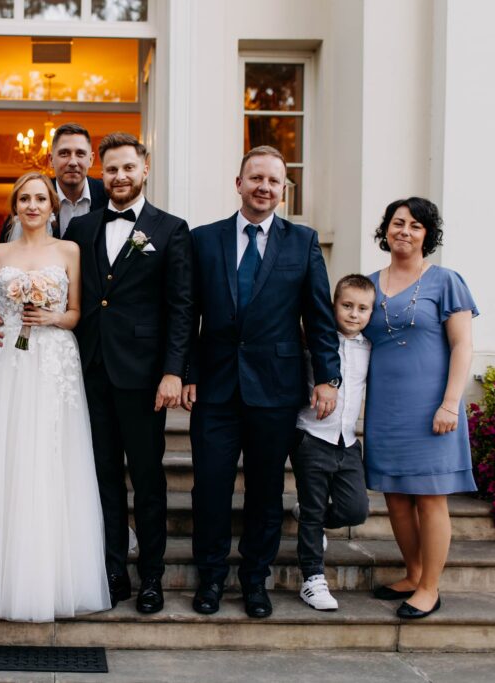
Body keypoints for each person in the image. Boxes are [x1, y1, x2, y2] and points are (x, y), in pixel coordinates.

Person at [0, 132, 192, 614]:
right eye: (113, 169)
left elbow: (182, 307)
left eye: (128, 168)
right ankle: (112, 570)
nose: (120, 176)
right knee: (101, 477)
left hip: (143, 375)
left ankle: (152, 577)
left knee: (147, 478)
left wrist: (173, 371)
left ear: (144, 170)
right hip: (88, 370)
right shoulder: (81, 230)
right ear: (104, 174)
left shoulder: (170, 229)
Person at [184, 145, 340, 619]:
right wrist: (187, 372)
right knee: (210, 488)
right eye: (256, 178)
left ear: (283, 190)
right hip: (215, 387)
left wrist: (328, 377)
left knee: (266, 491)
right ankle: (211, 579)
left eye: (273, 180)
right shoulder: (203, 239)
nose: (264, 187)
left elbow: (319, 316)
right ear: (239, 183)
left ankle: (255, 581)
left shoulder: (303, 241)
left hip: (275, 387)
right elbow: (187, 313)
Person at [0, 172, 111, 622]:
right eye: (25, 198)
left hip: (54, 360)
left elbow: (77, 312)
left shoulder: (69, 250)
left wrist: (51, 318)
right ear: (15, 206)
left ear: (52, 206)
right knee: (11, 456)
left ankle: (55, 577)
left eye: (41, 198)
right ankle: (3, 576)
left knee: (53, 458)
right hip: (10, 362)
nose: (33, 205)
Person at [364, 197, 478, 620]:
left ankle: (430, 587)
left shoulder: (446, 281)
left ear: (427, 235)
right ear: (386, 229)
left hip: (432, 407)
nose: (405, 231)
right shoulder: (368, 285)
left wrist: (450, 403)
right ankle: (413, 574)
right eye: (398, 223)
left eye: (415, 225)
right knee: (395, 498)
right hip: (385, 409)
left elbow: (462, 345)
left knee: (430, 499)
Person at [290, 274, 374, 611]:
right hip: (312, 436)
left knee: (356, 509)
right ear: (333, 306)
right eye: (347, 305)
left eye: (363, 308)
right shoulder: (315, 341)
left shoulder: (370, 347)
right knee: (313, 513)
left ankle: (310, 517)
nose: (354, 314)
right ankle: (312, 579)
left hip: (348, 441)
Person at [0, 123, 107, 243]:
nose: (72, 162)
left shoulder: (107, 194)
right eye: (64, 153)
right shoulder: (34, 195)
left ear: (91, 159)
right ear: (51, 159)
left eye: (80, 154)